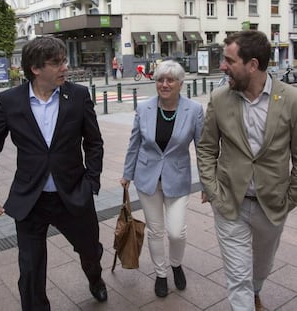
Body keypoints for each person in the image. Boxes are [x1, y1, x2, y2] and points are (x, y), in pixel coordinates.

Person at [0, 36, 106, 310]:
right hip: (30, 200)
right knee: (31, 270)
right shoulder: (10, 101)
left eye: (64, 61)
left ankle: (95, 278)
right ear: (36, 69)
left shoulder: (78, 95)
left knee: (90, 251)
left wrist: (91, 182)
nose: (64, 68)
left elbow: (93, 143)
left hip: (73, 195)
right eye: (56, 63)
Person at [197, 30, 297, 311]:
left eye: (229, 60)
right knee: (237, 277)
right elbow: (206, 148)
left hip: (273, 205)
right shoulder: (219, 98)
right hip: (230, 204)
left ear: (253, 65)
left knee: (261, 267)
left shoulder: (290, 99)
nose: (222, 66)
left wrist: (290, 198)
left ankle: (256, 290)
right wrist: (214, 192)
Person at [120, 60, 204, 298]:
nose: (164, 84)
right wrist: (127, 174)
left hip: (177, 179)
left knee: (176, 231)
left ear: (180, 83)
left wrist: (208, 183)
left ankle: (176, 264)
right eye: (160, 79)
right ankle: (160, 274)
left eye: (170, 80)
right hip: (147, 179)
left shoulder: (194, 110)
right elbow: (134, 143)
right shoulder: (144, 108)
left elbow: (202, 148)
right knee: (155, 231)